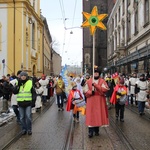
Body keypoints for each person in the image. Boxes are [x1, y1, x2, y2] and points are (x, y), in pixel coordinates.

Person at [83, 66, 109, 138]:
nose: (96, 74)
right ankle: (90, 132)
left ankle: (96, 130)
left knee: (97, 115)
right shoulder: (88, 81)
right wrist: (91, 92)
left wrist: (96, 85)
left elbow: (105, 89)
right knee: (91, 116)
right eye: (95, 73)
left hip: (99, 101)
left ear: (99, 74)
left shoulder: (102, 81)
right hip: (91, 100)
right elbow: (85, 90)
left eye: (97, 73)